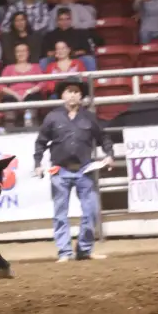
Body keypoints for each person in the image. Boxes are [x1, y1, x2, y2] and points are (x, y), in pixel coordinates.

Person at [34, 82, 114, 263]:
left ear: (81, 96)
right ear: (63, 95)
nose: (72, 95)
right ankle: (64, 252)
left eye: (76, 92)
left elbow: (104, 137)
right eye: (69, 92)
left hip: (85, 169)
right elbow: (41, 142)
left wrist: (109, 155)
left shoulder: (90, 118)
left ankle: (84, 249)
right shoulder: (53, 117)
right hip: (60, 171)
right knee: (60, 213)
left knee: (91, 210)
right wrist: (38, 163)